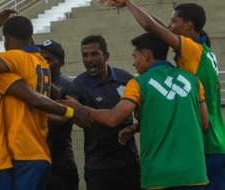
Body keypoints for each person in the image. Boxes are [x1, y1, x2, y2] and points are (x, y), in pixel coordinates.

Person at [98, 0, 225, 189]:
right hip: (218, 141)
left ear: (188, 25)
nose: (169, 26)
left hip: (204, 144)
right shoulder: (208, 53)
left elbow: (151, 27)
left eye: (174, 21)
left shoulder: (192, 50)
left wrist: (128, 2)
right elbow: (160, 29)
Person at [0, 15, 92, 190]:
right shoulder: (41, 63)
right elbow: (35, 96)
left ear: (5, 40)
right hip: (21, 154)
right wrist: (70, 109)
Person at [60, 33, 209, 190]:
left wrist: (81, 109)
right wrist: (135, 127)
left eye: (135, 56)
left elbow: (113, 118)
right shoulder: (193, 80)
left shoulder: (137, 82)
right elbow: (204, 125)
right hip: (194, 173)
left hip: (157, 174)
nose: (133, 63)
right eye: (85, 55)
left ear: (145, 55)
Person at [66, 35, 141, 190]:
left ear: (106, 56)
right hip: (98, 167)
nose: (89, 59)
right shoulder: (78, 85)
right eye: (85, 55)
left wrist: (134, 128)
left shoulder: (125, 79)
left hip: (129, 163)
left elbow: (145, 117)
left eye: (94, 54)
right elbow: (70, 107)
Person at [37, 39, 79, 190]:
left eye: (48, 59)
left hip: (60, 159)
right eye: (40, 58)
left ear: (61, 63)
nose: (43, 62)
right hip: (39, 157)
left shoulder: (66, 83)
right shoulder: (36, 82)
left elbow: (61, 112)